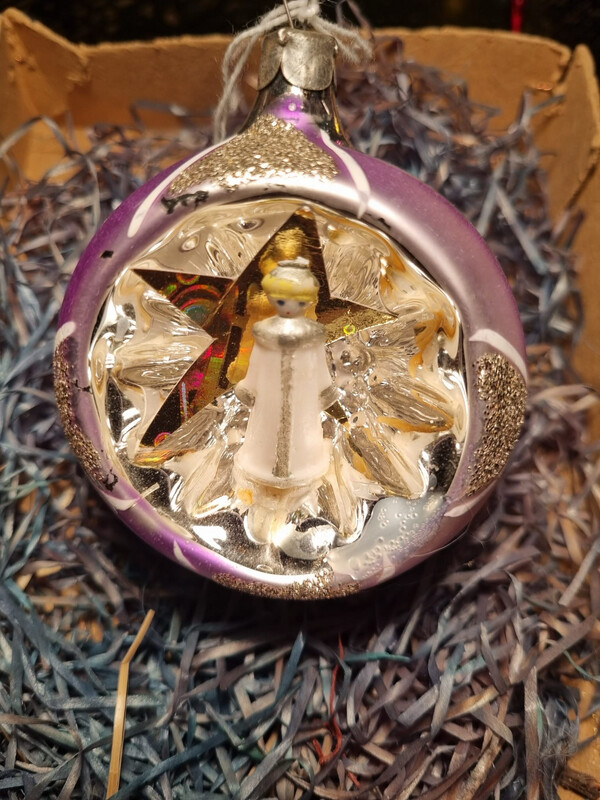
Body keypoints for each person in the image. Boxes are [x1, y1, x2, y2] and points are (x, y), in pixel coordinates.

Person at [234, 257, 336, 491]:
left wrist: (324, 388)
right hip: (270, 393)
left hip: (303, 394)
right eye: (281, 300)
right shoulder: (264, 332)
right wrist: (250, 386)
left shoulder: (313, 334)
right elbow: (257, 363)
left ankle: (304, 464)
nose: (289, 307)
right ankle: (262, 463)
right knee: (267, 427)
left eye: (298, 301)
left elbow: (319, 364)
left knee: (302, 427)